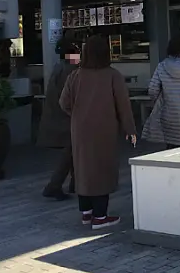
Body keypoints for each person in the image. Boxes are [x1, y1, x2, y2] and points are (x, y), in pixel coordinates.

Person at [59, 35, 136, 230]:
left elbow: (63, 103)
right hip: (104, 129)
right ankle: (100, 217)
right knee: (103, 169)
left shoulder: (75, 75)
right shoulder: (112, 75)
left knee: (83, 168)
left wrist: (78, 114)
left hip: (80, 129)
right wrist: (129, 129)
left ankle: (86, 213)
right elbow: (123, 106)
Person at [37, 37, 81, 200]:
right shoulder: (71, 71)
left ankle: (75, 183)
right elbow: (71, 97)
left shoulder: (59, 68)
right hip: (67, 117)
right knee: (71, 151)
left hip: (58, 116)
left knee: (73, 150)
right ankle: (55, 185)